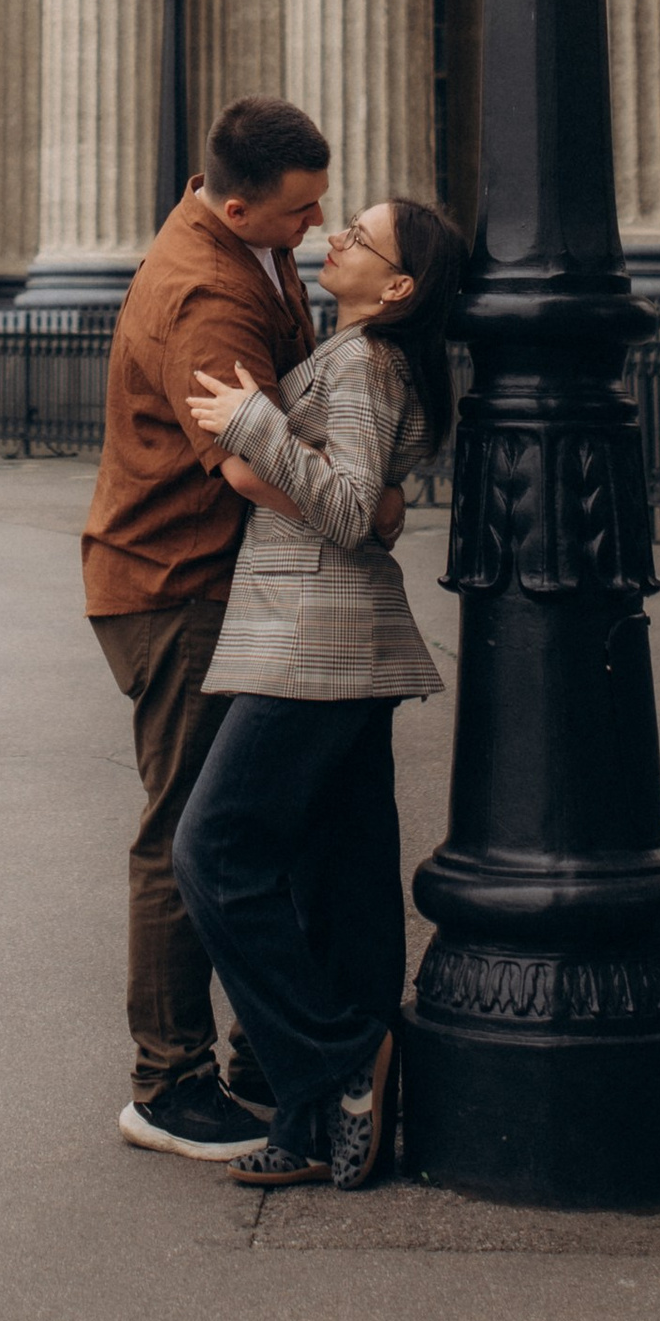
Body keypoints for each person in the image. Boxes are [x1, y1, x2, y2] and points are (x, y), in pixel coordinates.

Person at [82, 97, 406, 1160]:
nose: (318, 229)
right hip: (175, 585)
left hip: (210, 581)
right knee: (190, 834)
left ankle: (258, 1057)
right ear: (233, 203)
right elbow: (245, 463)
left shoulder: (250, 247)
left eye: (327, 209)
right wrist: (371, 506)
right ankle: (166, 1083)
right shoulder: (205, 293)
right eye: (303, 211)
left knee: (255, 826)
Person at [170, 196, 464, 1192]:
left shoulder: (366, 362)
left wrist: (251, 420)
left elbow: (344, 507)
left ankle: (339, 1055)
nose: (333, 236)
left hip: (317, 642)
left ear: (397, 286)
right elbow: (365, 503)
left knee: (210, 850)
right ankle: (318, 1114)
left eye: (359, 237)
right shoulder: (357, 357)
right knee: (338, 880)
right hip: (327, 641)